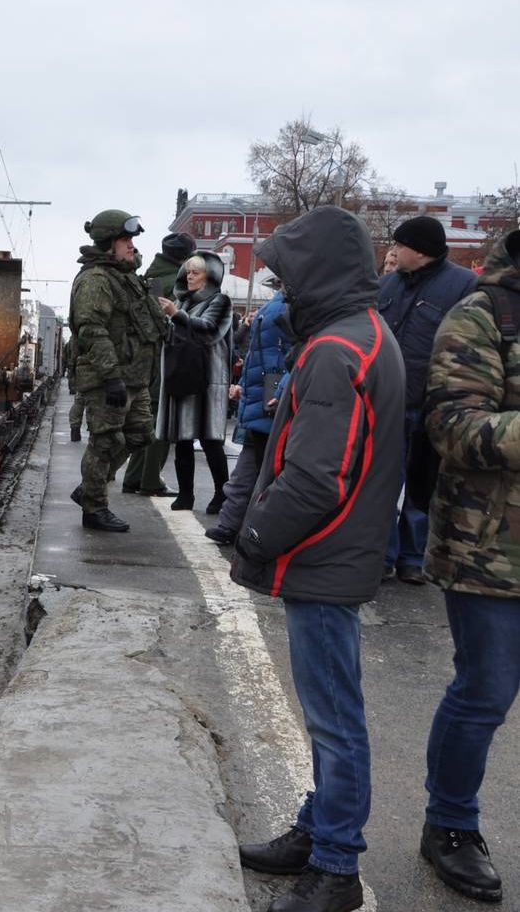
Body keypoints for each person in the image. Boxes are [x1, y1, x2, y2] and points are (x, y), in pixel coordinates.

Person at [232, 206, 405, 912]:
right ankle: (316, 829)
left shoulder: (337, 349)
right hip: (339, 552)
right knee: (331, 712)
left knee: (335, 718)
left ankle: (336, 867)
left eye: (287, 274)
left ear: (317, 275)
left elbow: (315, 479)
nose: (281, 287)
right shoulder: (362, 336)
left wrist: (254, 532)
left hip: (324, 556)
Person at [415, 229, 520, 904]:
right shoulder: (484, 313)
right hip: (492, 550)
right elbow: (451, 424)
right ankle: (449, 823)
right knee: (485, 691)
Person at [378, 216, 478, 584]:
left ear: (418, 250)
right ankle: (383, 555)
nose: (394, 251)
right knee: (382, 482)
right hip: (387, 400)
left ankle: (412, 557)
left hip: (431, 405)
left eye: (400, 245)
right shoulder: (386, 284)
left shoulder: (464, 286)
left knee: (423, 484)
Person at [68, 209, 165, 532]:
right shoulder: (97, 280)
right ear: (109, 243)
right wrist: (111, 377)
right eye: (125, 240)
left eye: (131, 240)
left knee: (140, 435)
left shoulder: (126, 277)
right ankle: (94, 508)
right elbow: (91, 330)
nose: (131, 246)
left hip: (134, 377)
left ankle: (89, 487)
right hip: (110, 378)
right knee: (105, 441)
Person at [208, 280, 294, 545]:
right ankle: (231, 524)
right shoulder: (281, 299)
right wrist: (243, 385)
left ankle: (252, 530)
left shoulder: (302, 302)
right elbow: (261, 353)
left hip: (274, 395)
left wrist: (284, 389)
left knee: (270, 471)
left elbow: (302, 352)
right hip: (262, 394)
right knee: (249, 467)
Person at [155, 252, 233, 512]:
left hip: (209, 378)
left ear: (208, 277)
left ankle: (223, 494)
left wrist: (176, 315)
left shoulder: (220, 301)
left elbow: (209, 330)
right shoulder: (182, 302)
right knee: (183, 438)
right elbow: (174, 333)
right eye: (187, 271)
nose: (189, 276)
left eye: (196, 272)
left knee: (211, 440)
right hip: (183, 373)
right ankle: (186, 494)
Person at [123, 232, 195, 495]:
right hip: (168, 360)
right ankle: (151, 480)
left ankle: (134, 477)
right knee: (162, 423)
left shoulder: (150, 278)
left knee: (149, 421)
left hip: (146, 360)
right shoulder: (180, 283)